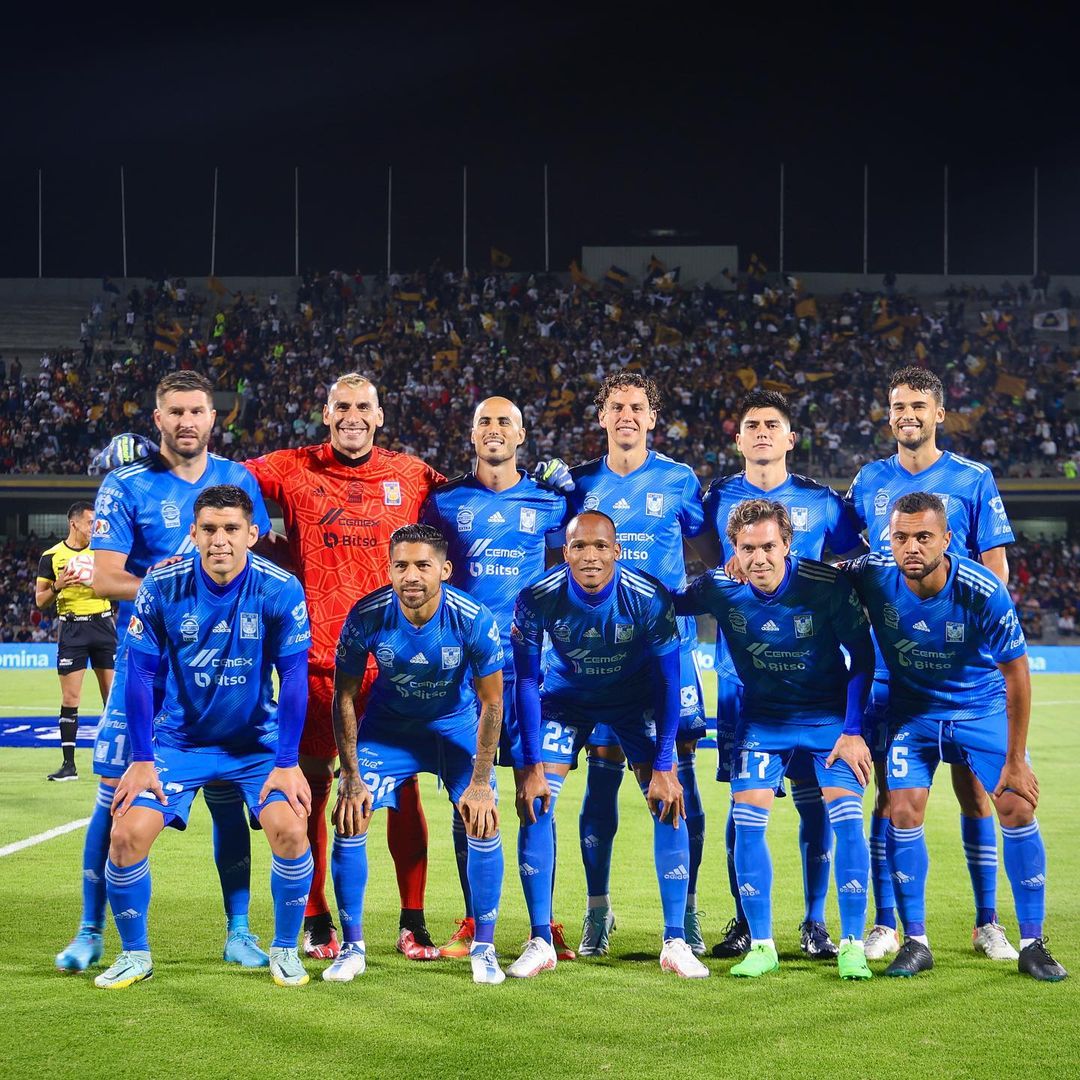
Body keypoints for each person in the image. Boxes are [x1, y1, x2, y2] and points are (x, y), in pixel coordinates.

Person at [56, 372, 272, 975]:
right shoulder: (125, 484)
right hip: (148, 666)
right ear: (158, 418)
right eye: (175, 412)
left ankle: (239, 931)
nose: (186, 422)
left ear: (213, 417)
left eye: (197, 411)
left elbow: (252, 562)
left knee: (227, 796)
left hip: (226, 664)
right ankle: (90, 931)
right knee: (113, 798)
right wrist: (182, 587)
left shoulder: (238, 479)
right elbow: (105, 577)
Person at [245, 373, 446, 961]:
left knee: (402, 788)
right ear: (326, 413)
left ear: (379, 416)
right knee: (310, 786)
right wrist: (262, 540)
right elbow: (222, 481)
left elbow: (473, 499)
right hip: (315, 660)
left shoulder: (411, 474)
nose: (352, 416)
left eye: (363, 407)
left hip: (393, 663)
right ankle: (316, 918)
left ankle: (413, 921)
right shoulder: (291, 468)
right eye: (342, 407)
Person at [94, 485, 314, 990]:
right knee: (125, 837)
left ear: (252, 534)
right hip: (179, 744)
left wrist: (287, 761)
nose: (220, 540)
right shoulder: (161, 585)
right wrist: (142, 759)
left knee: (291, 831)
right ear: (193, 533)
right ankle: (135, 954)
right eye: (210, 529)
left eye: (231, 529)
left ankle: (284, 949)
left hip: (254, 746)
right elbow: (140, 675)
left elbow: (294, 678)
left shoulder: (279, 588)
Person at [843, 493, 1066, 981]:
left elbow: (1017, 674)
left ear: (946, 539)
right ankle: (915, 940)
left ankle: (1032, 942)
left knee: (1016, 805)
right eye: (901, 537)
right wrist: (742, 565)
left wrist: (1016, 760)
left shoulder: (982, 590)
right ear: (888, 540)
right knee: (901, 808)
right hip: (913, 713)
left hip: (979, 708)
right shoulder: (873, 572)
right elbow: (821, 573)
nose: (911, 547)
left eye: (924, 537)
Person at [845, 366, 1019, 962]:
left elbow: (995, 568)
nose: (907, 415)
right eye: (898, 406)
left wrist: (981, 647)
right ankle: (886, 923)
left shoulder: (972, 478)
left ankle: (987, 921)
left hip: (960, 667)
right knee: (889, 795)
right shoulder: (869, 480)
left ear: (939, 413)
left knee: (975, 792)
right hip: (890, 666)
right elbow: (853, 561)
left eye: (918, 405)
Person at [675, 499, 874, 979]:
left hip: (828, 720)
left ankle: (851, 945)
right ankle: (762, 946)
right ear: (734, 549)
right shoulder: (719, 586)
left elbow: (863, 656)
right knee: (747, 822)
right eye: (748, 549)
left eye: (768, 547)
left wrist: (852, 731)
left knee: (847, 820)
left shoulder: (824, 584)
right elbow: (667, 603)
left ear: (788, 545)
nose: (759, 558)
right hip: (763, 721)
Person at [511, 510, 710, 979]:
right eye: (580, 546)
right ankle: (540, 939)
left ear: (616, 551)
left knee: (668, 800)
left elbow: (668, 682)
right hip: (566, 699)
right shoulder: (537, 597)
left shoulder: (647, 596)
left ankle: (675, 940)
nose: (591, 556)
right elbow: (527, 681)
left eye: (601, 546)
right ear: (565, 552)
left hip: (634, 700)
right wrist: (532, 765)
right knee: (537, 800)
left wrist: (665, 764)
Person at [703, 390, 865, 961]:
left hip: (813, 676)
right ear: (738, 439)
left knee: (813, 801)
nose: (763, 432)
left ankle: (816, 922)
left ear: (791, 438)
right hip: (741, 678)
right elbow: (697, 560)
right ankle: (748, 922)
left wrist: (821, 588)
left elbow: (854, 558)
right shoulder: (716, 496)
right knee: (742, 803)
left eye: (773, 424)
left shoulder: (821, 501)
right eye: (752, 424)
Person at [566, 372, 719, 957]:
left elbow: (710, 555)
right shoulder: (580, 483)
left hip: (666, 657)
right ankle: (597, 910)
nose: (626, 415)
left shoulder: (678, 480)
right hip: (600, 658)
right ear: (602, 416)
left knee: (681, 781)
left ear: (652, 418)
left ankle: (687, 912)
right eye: (616, 407)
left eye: (636, 407)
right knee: (601, 780)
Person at [419, 397, 573, 961]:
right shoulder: (444, 502)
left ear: (521, 435)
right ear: (472, 433)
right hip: (464, 675)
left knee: (537, 794)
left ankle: (543, 926)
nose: (494, 429)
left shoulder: (549, 501)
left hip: (529, 671)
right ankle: (473, 918)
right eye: (484, 420)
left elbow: (574, 560)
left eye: (504, 421)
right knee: (468, 797)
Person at [326, 523, 507, 985]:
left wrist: (481, 783)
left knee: (484, 817)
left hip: (454, 727)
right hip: (390, 729)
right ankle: (352, 948)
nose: (411, 575)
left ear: (444, 570)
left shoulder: (473, 618)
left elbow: (492, 703)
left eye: (423, 565)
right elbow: (344, 696)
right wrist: (350, 775)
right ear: (389, 569)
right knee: (350, 814)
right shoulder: (367, 614)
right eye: (401, 565)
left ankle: (484, 948)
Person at [35, 501, 116, 782]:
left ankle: (117, 762)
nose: (95, 527)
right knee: (70, 698)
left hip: (103, 625)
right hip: (72, 630)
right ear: (74, 523)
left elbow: (118, 586)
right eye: (90, 522)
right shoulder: (51, 556)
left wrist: (101, 582)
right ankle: (68, 765)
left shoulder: (103, 553)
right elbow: (40, 600)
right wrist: (58, 586)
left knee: (111, 698)